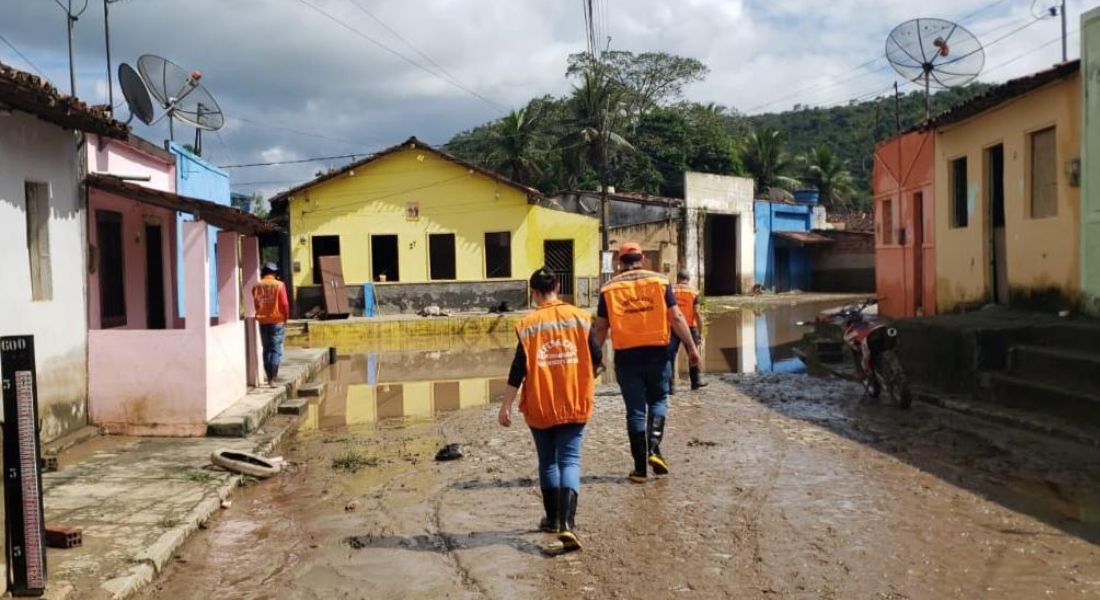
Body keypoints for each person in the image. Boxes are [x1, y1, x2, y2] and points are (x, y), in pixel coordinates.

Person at [498, 268, 601, 552]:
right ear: (558, 286)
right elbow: (598, 357)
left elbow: (517, 369)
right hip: (573, 401)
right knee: (569, 460)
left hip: (540, 405)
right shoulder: (581, 318)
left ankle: (553, 519)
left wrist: (505, 406)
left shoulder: (529, 324)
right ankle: (568, 525)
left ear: (533, 293)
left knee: (548, 462)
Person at [594, 243, 700, 484]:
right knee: (659, 400)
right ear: (642, 259)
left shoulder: (609, 289)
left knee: (635, 411)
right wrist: (692, 348)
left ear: (619, 263)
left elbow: (600, 328)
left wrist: (594, 359)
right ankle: (653, 448)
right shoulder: (660, 282)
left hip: (626, 358)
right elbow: (676, 317)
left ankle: (640, 469)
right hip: (657, 354)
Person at [669, 270, 708, 391]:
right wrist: (702, 330)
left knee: (670, 356)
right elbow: (697, 312)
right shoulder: (694, 292)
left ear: (678, 278)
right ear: (688, 279)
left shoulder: (671, 291)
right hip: (690, 328)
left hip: (673, 326)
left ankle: (670, 386)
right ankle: (695, 381)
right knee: (693, 354)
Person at [253, 262, 290, 386]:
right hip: (276, 321)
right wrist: (286, 318)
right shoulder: (279, 285)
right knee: (276, 350)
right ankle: (273, 379)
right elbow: (285, 304)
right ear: (274, 273)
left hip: (263, 321)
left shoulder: (257, 286)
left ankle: (269, 377)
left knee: (267, 349)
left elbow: (256, 303)